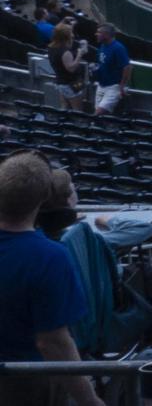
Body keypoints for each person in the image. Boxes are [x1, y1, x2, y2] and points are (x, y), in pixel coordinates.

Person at [1, 153, 106, 406]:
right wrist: (90, 400)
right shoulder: (49, 257)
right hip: (23, 383)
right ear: (44, 197)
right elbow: (53, 343)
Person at [89, 24, 129, 116]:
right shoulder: (102, 46)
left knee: (98, 113)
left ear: (106, 35)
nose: (96, 34)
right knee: (100, 115)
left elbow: (127, 67)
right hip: (101, 85)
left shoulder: (118, 48)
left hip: (113, 87)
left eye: (99, 32)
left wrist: (122, 85)